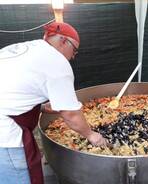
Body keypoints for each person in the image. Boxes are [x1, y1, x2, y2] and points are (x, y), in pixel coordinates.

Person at [0, 22, 107, 184]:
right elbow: (71, 115)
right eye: (74, 50)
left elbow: (11, 88)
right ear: (64, 41)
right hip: (5, 136)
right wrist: (92, 135)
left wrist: (42, 107)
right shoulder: (56, 62)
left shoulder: (29, 47)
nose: (73, 56)